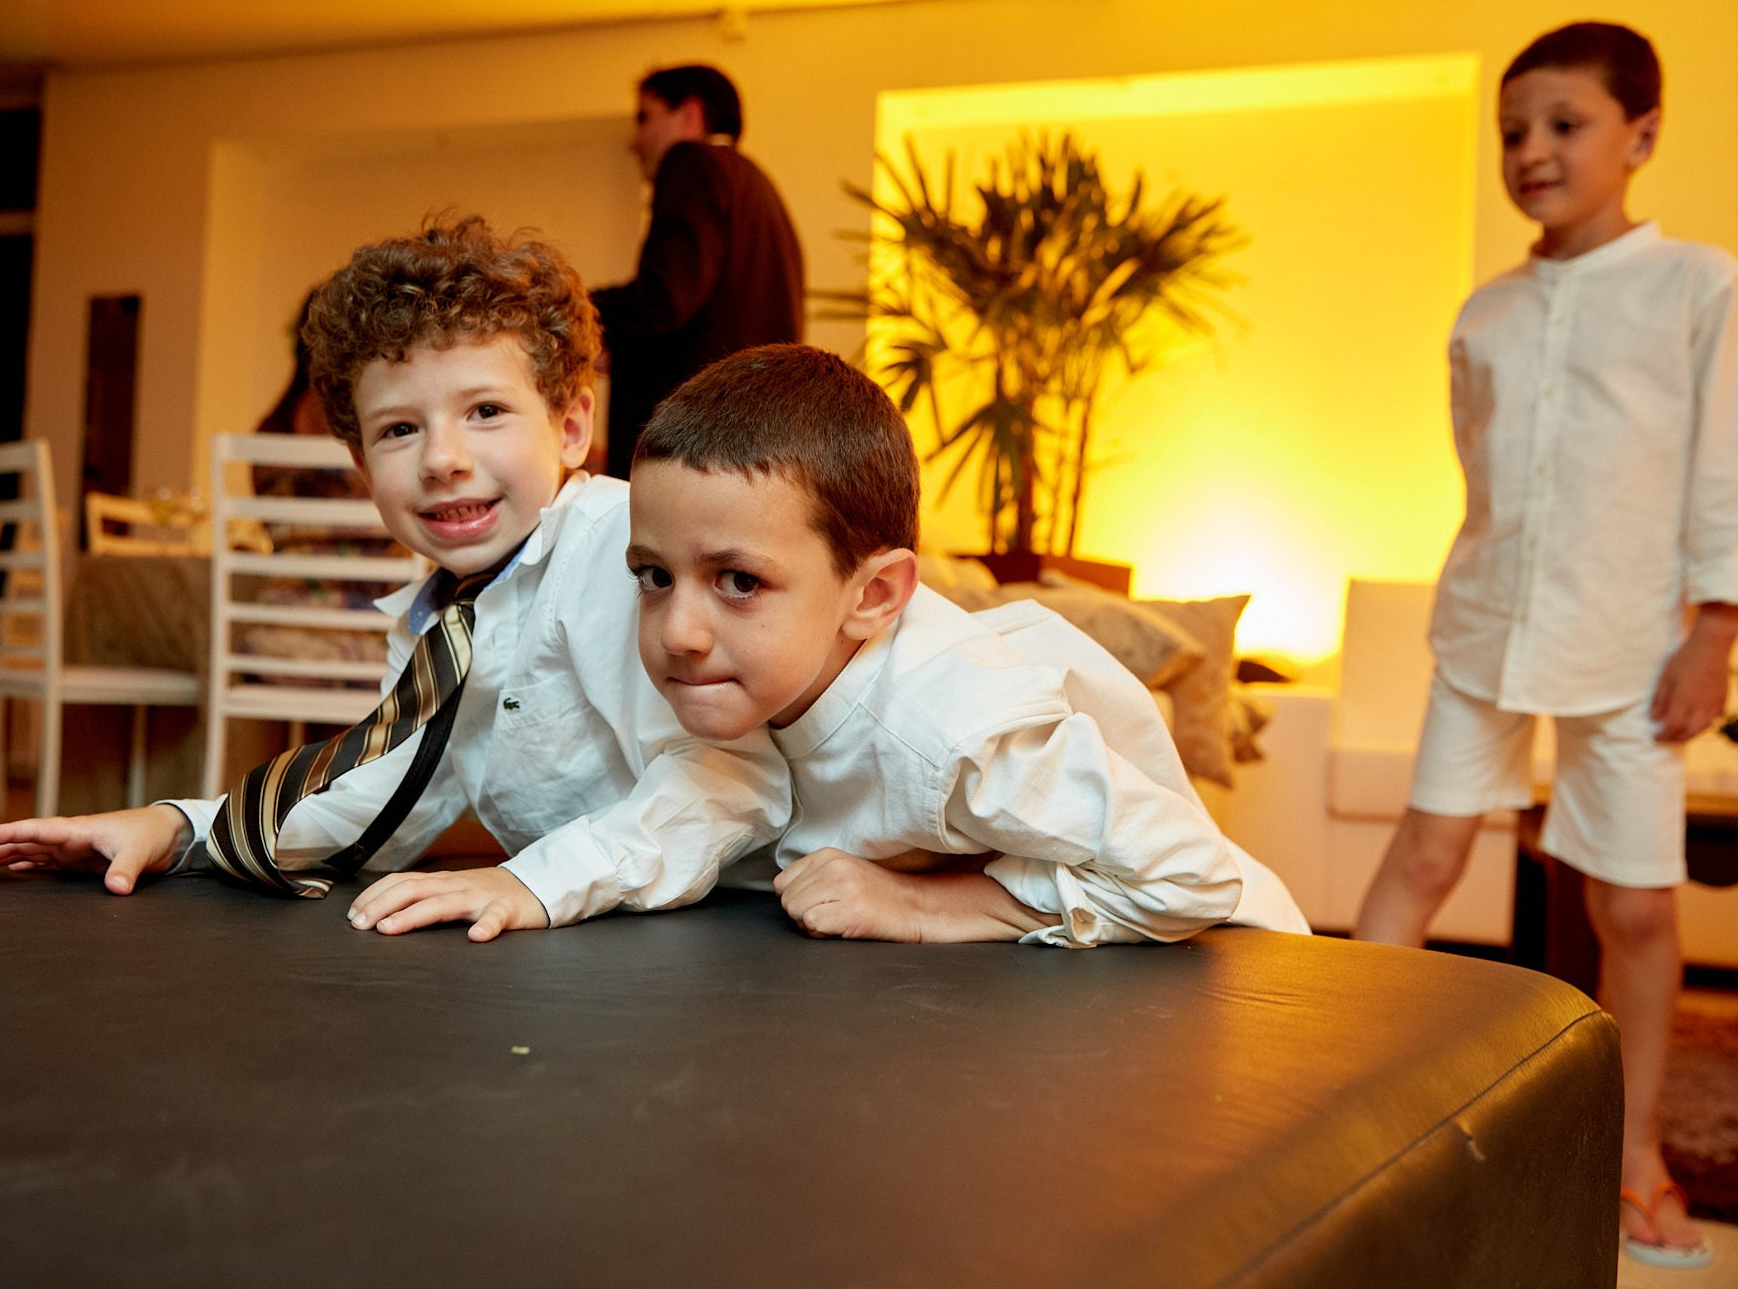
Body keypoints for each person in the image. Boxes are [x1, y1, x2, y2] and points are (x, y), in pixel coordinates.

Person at [0, 216, 790, 937]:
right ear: (360, 463)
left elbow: (726, 781)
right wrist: (178, 828)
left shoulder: (621, 555)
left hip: (776, 928)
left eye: (486, 411)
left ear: (571, 425)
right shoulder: (443, 620)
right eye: (398, 429)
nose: (443, 460)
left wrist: (530, 881)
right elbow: (382, 794)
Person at [363, 344, 1308, 946]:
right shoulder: (755, 680)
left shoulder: (949, 728)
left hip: (1235, 973)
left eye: (740, 581)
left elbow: (1190, 872)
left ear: (877, 594)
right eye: (653, 575)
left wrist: (932, 907)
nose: (679, 634)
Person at [1352, 22, 1738, 1271]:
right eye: (1511, 131)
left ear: (1638, 136)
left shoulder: (1703, 288)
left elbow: (1723, 474)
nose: (1530, 151)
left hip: (1632, 643)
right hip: (1481, 626)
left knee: (1632, 903)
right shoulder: (1486, 311)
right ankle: (1340, 1096)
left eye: (1561, 126)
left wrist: (1711, 633)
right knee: (1420, 857)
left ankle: (1632, 1153)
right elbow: (1483, 475)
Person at [592, 64, 805, 478]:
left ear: (690, 114)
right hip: (747, 447)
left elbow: (666, 297)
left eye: (644, 119)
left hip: (690, 447)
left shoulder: (692, 162)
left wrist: (579, 310)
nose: (634, 142)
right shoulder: (759, 187)